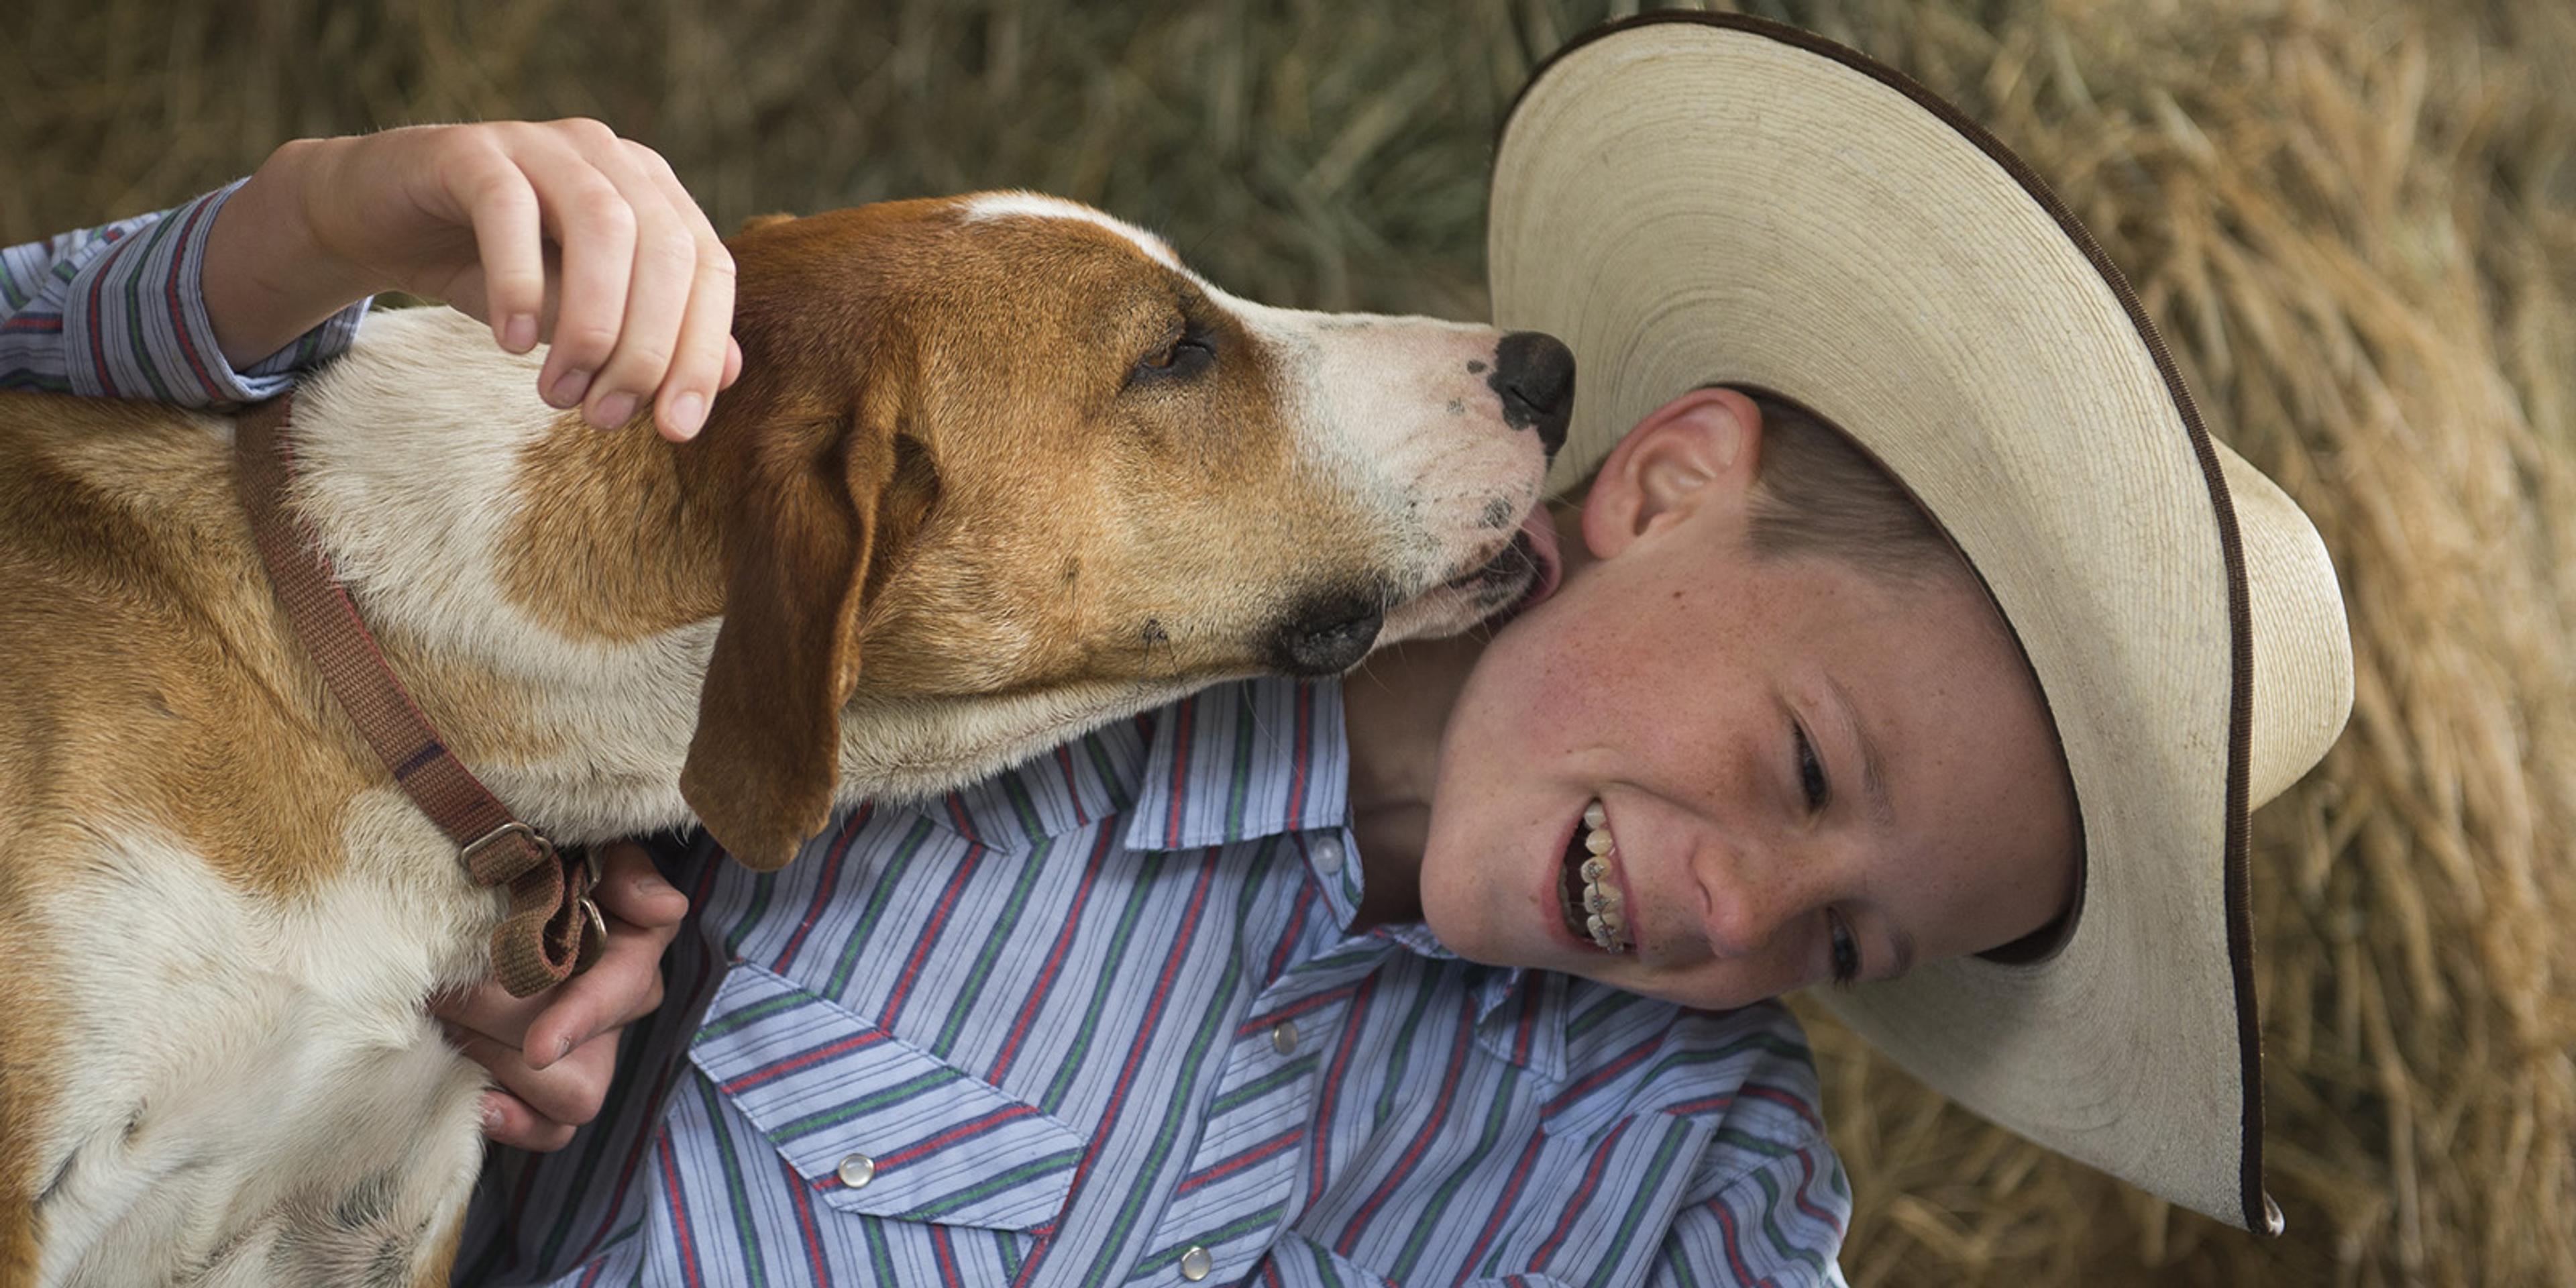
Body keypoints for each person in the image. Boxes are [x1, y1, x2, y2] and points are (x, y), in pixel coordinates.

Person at [0, 12, 2350, 1285]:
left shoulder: (1662, 1180)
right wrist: (302, 235)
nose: (1745, 913)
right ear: (1663, 485)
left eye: (1849, 945)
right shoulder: (990, 552)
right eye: (1808, 766)